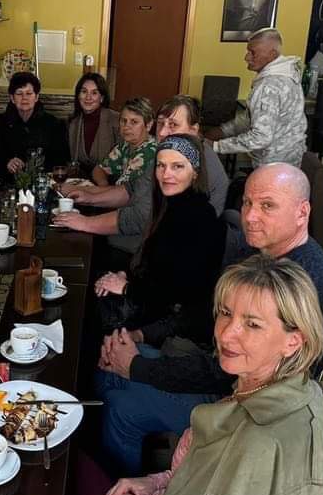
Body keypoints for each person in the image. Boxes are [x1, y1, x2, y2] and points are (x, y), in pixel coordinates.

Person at [54, 255, 323, 495]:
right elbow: (203, 483)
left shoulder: (255, 443)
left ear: (293, 341)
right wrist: (154, 482)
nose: (227, 333)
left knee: (61, 483)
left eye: (252, 324)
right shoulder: (297, 390)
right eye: (225, 313)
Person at [92, 134, 227, 475]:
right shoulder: (171, 206)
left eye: (177, 167)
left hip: (182, 339)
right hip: (165, 324)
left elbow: (181, 292)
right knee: (103, 369)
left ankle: (125, 486)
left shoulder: (200, 218)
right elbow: (161, 272)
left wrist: (128, 287)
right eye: (162, 166)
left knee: (117, 399)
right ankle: (103, 471)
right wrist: (127, 280)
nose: (167, 174)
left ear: (194, 171)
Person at [55, 96, 229, 258]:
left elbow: (140, 217)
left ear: (194, 130)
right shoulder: (169, 152)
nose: (162, 132)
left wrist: (85, 223)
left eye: (173, 125)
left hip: (169, 253)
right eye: (161, 123)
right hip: (151, 240)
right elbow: (132, 189)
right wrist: (89, 197)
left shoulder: (195, 161)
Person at [226, 163, 323, 368]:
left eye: (267, 205)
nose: (249, 217)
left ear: (302, 213)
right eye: (247, 202)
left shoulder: (308, 286)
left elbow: (295, 374)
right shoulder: (263, 248)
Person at [204, 27, 307, 167]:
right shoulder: (287, 75)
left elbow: (261, 137)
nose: (246, 57)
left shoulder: (269, 86)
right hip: (289, 159)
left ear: (272, 54)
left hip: (274, 164)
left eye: (253, 53)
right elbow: (252, 118)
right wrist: (224, 130)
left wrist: (216, 146)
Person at [0, 72, 70, 180]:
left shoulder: (53, 124)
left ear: (36, 97)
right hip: (8, 182)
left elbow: (60, 161)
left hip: (43, 181)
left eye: (29, 93)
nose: (24, 98)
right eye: (19, 93)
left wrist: (35, 167)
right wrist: (7, 163)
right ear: (12, 98)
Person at [92, 97, 156, 189]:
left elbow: (121, 191)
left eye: (134, 122)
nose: (126, 126)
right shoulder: (125, 145)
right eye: (123, 121)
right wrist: (103, 184)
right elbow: (99, 169)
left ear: (149, 125)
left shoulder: (149, 152)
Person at [67, 73, 120, 174]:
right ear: (78, 96)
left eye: (94, 93)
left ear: (102, 98)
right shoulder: (73, 123)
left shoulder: (116, 120)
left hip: (110, 180)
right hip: (80, 180)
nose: (88, 97)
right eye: (84, 92)